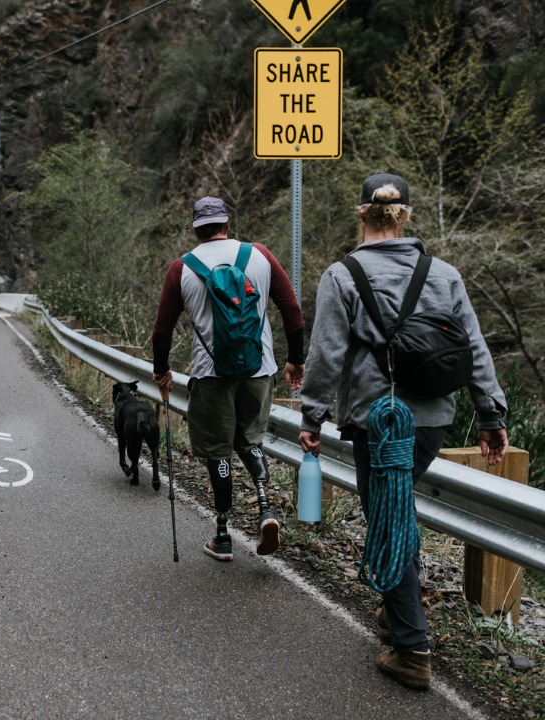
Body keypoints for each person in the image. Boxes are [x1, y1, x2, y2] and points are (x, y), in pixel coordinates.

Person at [298, 173, 509, 690]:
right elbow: (474, 349)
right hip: (432, 422)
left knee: (387, 522)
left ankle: (413, 650)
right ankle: (399, 609)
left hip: (378, 421)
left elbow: (325, 354)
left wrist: (311, 416)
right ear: (406, 216)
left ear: (361, 214)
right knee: (396, 512)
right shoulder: (444, 274)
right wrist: (491, 415)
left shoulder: (342, 275)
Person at [152, 196, 305, 561]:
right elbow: (292, 310)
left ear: (195, 228)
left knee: (218, 451)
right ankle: (265, 507)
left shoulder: (181, 268)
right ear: (227, 223)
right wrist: (295, 360)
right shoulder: (260, 255)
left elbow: (162, 332)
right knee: (250, 440)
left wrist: (162, 371)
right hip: (258, 370)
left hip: (210, 375)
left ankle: (222, 535)